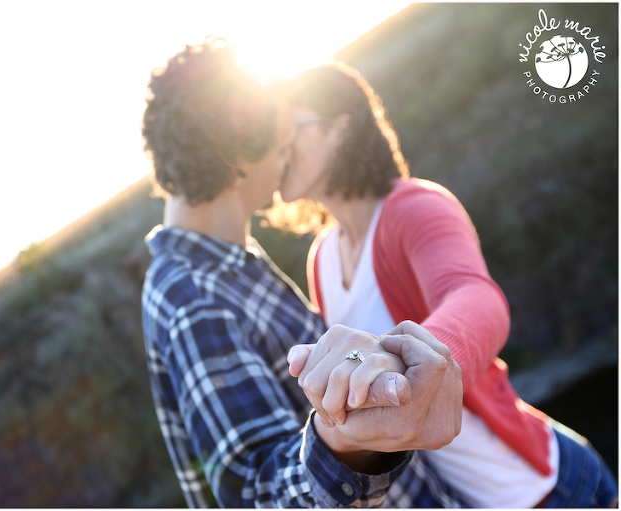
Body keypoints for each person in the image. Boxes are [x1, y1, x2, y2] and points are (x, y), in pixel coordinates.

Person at [140, 37, 469, 507]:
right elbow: (257, 493)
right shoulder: (196, 299)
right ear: (238, 157)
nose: (287, 161)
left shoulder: (228, 264)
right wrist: (342, 433)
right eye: (280, 148)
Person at [279, 61, 618, 508]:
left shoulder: (415, 207)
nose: (278, 145)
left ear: (340, 128)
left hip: (549, 489)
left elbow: (475, 296)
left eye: (291, 127)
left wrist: (422, 360)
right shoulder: (321, 259)